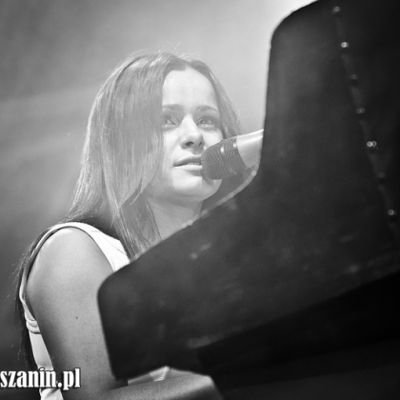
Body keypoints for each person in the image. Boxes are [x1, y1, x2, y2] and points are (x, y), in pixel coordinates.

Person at [16, 52, 243, 399]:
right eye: (167, 120)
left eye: (208, 120)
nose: (195, 135)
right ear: (122, 140)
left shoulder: (233, 259)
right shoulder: (74, 250)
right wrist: (261, 372)